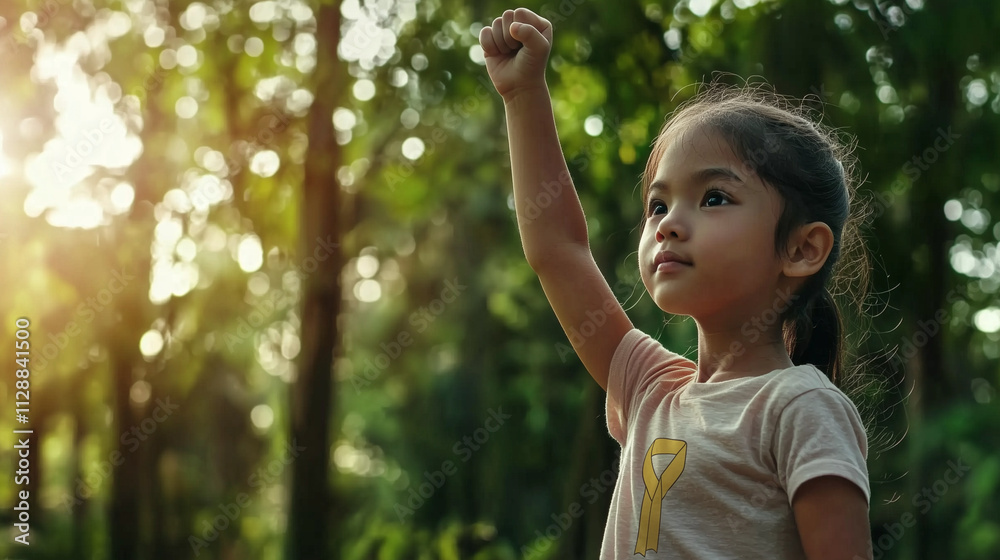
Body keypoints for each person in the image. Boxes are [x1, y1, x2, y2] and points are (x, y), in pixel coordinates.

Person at [479, 7, 873, 559]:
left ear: (801, 249)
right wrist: (523, 96)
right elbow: (558, 252)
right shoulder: (650, 390)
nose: (667, 223)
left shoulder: (799, 408)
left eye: (714, 198)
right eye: (658, 204)